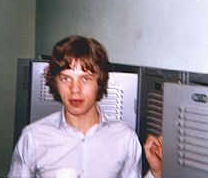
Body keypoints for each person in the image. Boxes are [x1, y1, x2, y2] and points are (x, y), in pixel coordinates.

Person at [8, 35, 162, 178]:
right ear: (55, 82)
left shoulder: (125, 138)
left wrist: (156, 172)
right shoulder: (33, 137)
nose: (75, 89)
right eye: (66, 78)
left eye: (86, 78)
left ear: (99, 81)